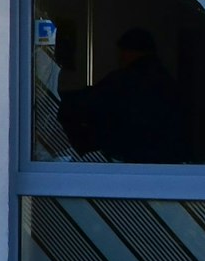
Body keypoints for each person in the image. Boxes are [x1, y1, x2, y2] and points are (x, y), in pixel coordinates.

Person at [60, 27, 189, 163]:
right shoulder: (168, 83)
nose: (119, 57)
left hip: (128, 162)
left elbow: (79, 106)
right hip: (166, 166)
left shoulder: (123, 81)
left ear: (128, 52)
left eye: (121, 52)